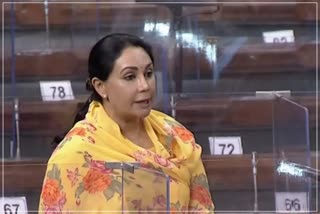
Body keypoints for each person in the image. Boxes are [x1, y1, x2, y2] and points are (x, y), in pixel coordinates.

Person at [38, 33, 215, 213]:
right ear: (100, 87)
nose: (144, 85)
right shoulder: (74, 154)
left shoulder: (176, 135)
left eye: (148, 74)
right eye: (130, 77)